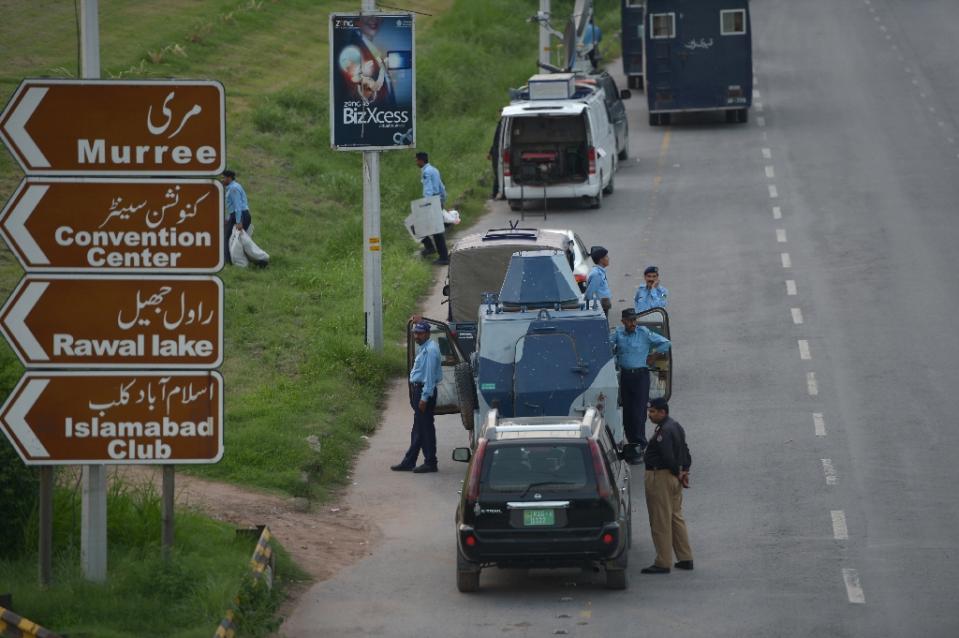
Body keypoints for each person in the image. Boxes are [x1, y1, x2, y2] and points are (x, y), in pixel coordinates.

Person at [641, 397, 693, 574]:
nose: (650, 414)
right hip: (674, 479)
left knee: (660, 520)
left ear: (663, 412)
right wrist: (684, 470)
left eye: (653, 411)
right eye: (649, 411)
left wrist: (677, 471)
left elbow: (667, 456)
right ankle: (685, 558)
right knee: (675, 517)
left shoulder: (664, 432)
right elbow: (685, 450)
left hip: (661, 477)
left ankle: (663, 562)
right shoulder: (675, 426)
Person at [611, 308, 671, 457]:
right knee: (628, 413)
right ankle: (631, 442)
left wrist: (654, 355)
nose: (633, 323)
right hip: (625, 377)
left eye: (634, 320)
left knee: (638, 412)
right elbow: (606, 346)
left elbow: (666, 343)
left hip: (640, 377)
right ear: (623, 321)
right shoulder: (618, 333)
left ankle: (641, 444)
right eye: (630, 321)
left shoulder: (643, 332)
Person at [392, 321, 442, 473]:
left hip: (423, 392)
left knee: (425, 429)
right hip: (419, 391)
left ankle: (431, 462)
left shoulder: (430, 351)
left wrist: (424, 398)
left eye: (419, 333)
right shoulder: (425, 347)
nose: (416, 336)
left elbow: (429, 377)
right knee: (418, 429)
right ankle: (410, 461)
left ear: (427, 334)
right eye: (415, 333)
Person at [416, 152, 450, 265]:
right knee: (436, 230)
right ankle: (439, 254)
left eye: (416, 160)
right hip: (438, 200)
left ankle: (435, 251)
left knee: (415, 225)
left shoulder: (426, 172)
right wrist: (442, 201)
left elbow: (428, 190)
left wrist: (427, 205)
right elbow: (442, 187)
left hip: (431, 202)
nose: (416, 162)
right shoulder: (434, 170)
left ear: (421, 160)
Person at [222, 170, 252, 264]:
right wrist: (228, 218)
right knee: (237, 238)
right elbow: (231, 206)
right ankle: (240, 259)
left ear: (229, 178)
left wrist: (239, 221)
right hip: (238, 215)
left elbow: (237, 206)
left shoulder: (234, 188)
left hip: (239, 215)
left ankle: (228, 261)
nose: (222, 180)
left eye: (224, 178)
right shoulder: (233, 187)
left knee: (227, 237)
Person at [584, 246, 612, 318]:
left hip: (604, 305)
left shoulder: (600, 272)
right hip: (599, 308)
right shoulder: (596, 274)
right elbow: (589, 294)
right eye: (606, 256)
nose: (608, 258)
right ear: (601, 260)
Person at [488, 119, 503, 199]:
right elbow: (496, 141)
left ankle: (495, 192)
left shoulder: (502, 124)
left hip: (498, 152)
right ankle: (496, 192)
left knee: (498, 173)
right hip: (496, 152)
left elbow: (497, 141)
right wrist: (491, 152)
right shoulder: (501, 124)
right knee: (497, 173)